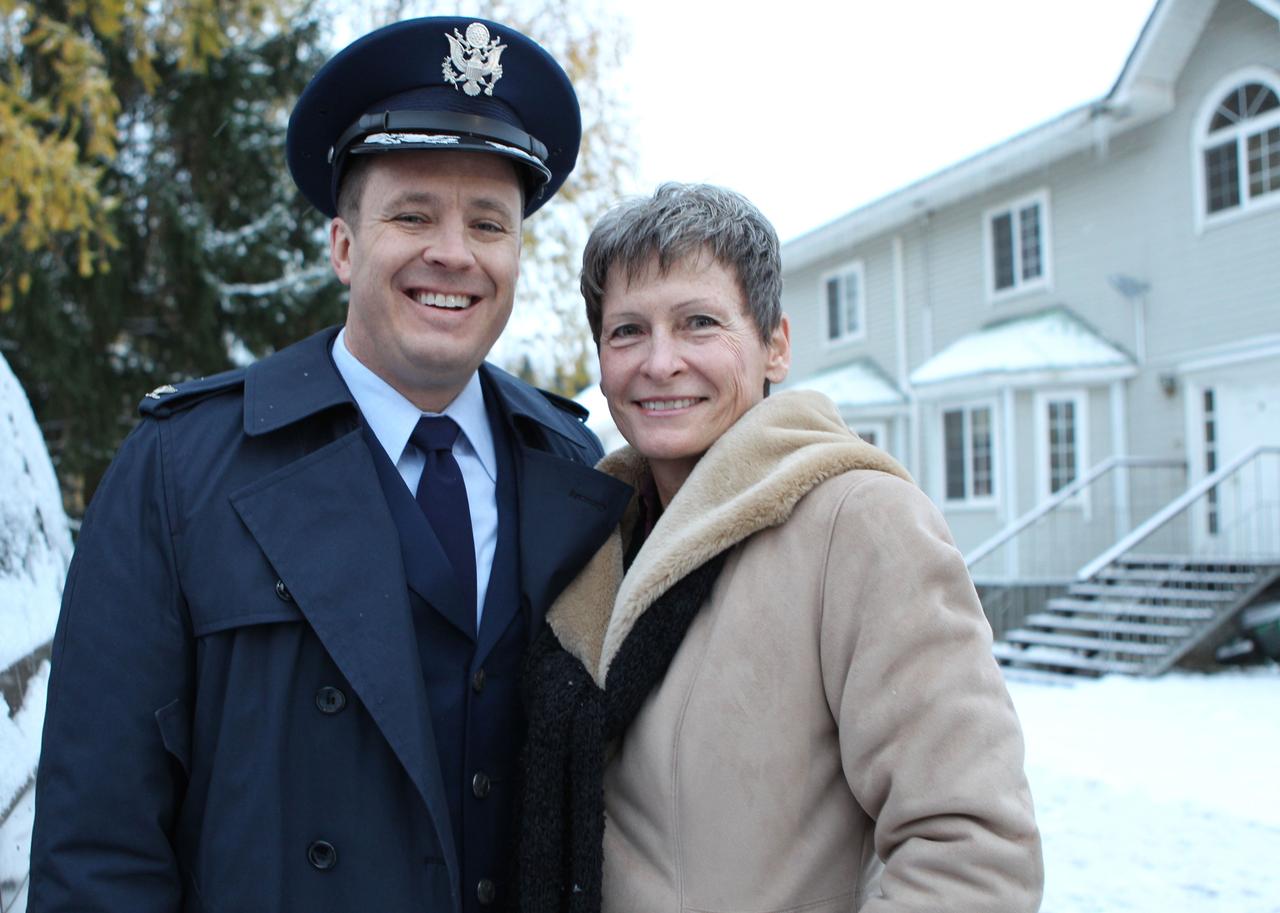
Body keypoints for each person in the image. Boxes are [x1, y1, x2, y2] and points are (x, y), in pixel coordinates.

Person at [28, 17, 632, 913]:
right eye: (412, 214)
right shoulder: (183, 468)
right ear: (344, 246)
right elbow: (99, 843)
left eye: (488, 223)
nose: (453, 254)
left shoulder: (578, 468)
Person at [516, 183, 1044, 913]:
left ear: (775, 345)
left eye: (699, 323)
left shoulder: (859, 522)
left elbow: (971, 850)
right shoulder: (595, 538)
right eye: (627, 330)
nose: (660, 361)